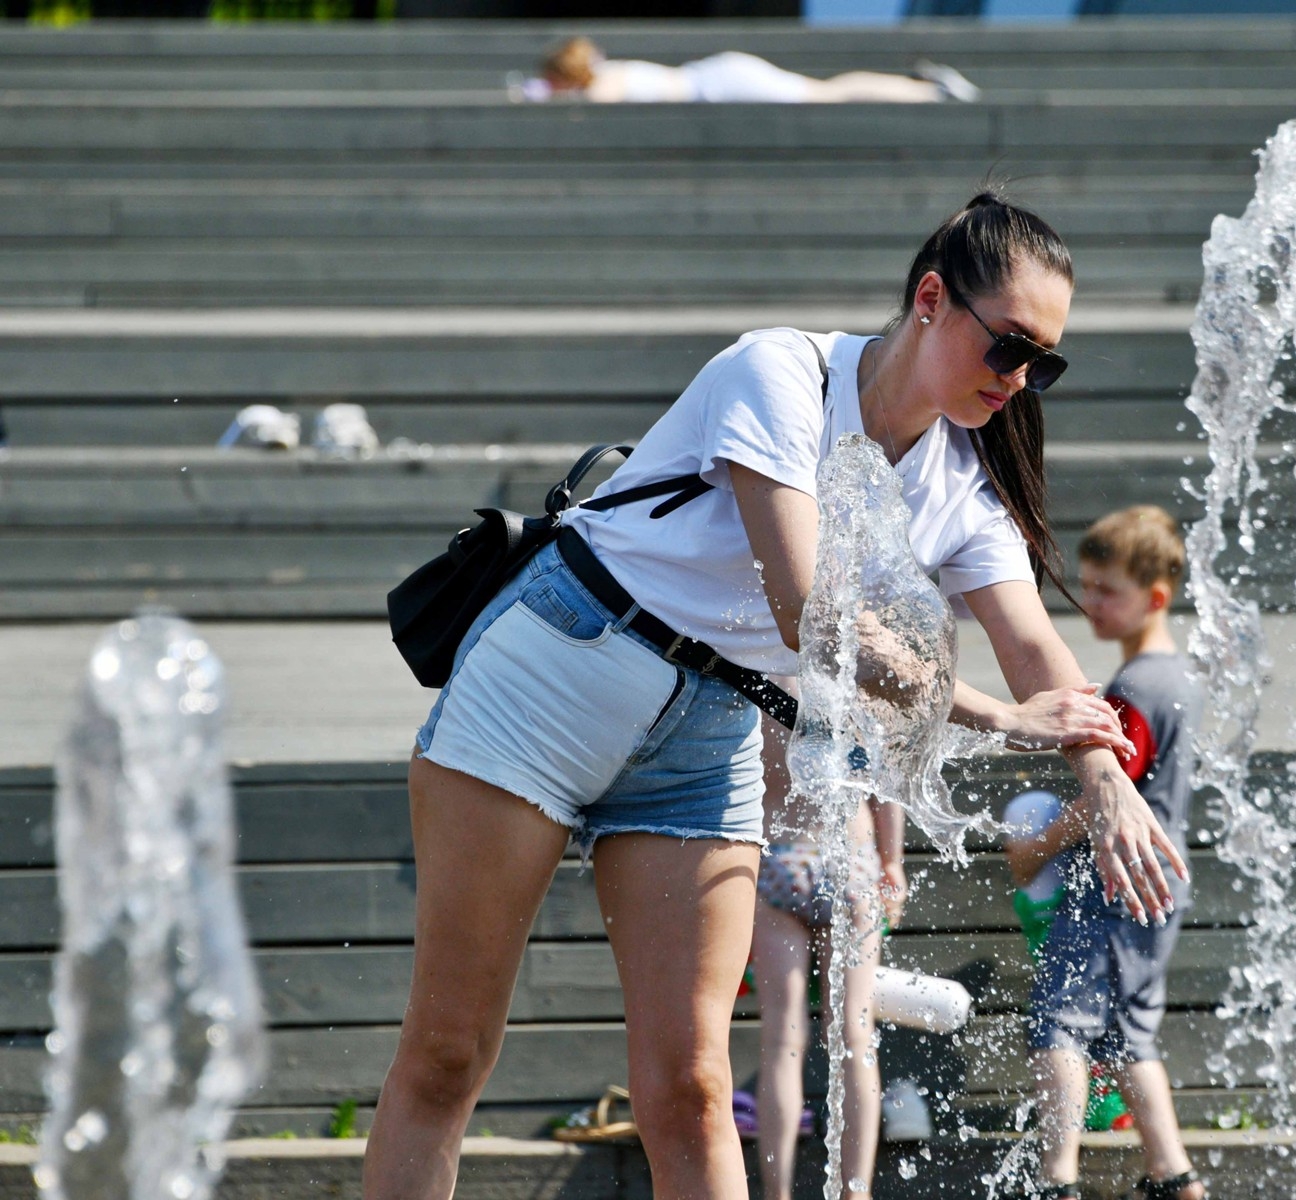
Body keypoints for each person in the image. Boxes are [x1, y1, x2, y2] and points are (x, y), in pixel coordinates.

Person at [360, 191, 1186, 1200]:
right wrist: (998, 718)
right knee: (450, 1052)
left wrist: (1104, 777)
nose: (1020, 381)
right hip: (559, 667)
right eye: (1011, 347)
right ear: (931, 298)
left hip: (709, 729)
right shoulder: (779, 372)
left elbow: (1036, 649)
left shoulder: (963, 484)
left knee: (695, 1088)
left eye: (1043, 363)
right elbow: (812, 612)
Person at [1002, 505, 1205, 1200]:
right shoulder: (1180, 679)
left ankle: (1055, 1181)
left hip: (1118, 879)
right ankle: (1172, 1176)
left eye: (1105, 590)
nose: (1088, 603)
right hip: (1162, 883)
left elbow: (1109, 798)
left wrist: (1035, 848)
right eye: (1084, 586)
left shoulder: (1135, 691)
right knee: (1128, 1033)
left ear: (1154, 597)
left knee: (1059, 1020)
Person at [752, 700, 905, 1200]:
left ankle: (777, 1194)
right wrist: (893, 864)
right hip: (850, 857)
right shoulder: (857, 684)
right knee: (855, 1037)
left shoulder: (757, 664)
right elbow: (887, 784)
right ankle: (853, 1193)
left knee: (782, 1041)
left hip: (780, 852)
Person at [516, 35, 978, 104]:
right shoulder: (606, 69)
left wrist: (541, 95)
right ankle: (926, 87)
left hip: (722, 81)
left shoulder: (604, 80)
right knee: (825, 89)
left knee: (824, 93)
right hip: (720, 75)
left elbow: (597, 102)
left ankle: (929, 91)